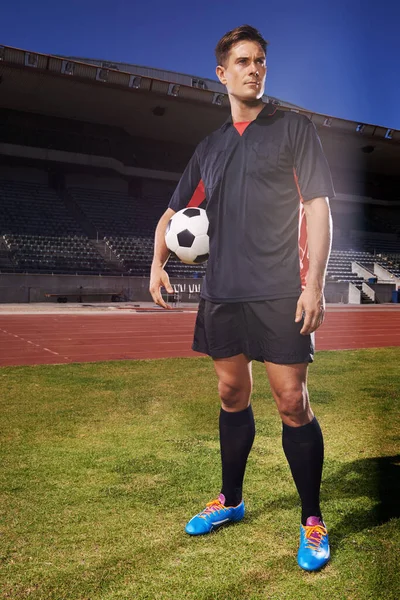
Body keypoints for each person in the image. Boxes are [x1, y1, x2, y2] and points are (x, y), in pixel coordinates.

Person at [149, 24, 334, 572]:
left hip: (280, 289)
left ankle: (312, 519)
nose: (255, 69)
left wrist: (316, 283)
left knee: (291, 402)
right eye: (244, 61)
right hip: (222, 293)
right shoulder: (209, 148)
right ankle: (231, 501)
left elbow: (320, 206)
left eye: (261, 61)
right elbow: (173, 210)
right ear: (222, 73)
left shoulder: (294, 129)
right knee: (232, 394)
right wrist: (155, 263)